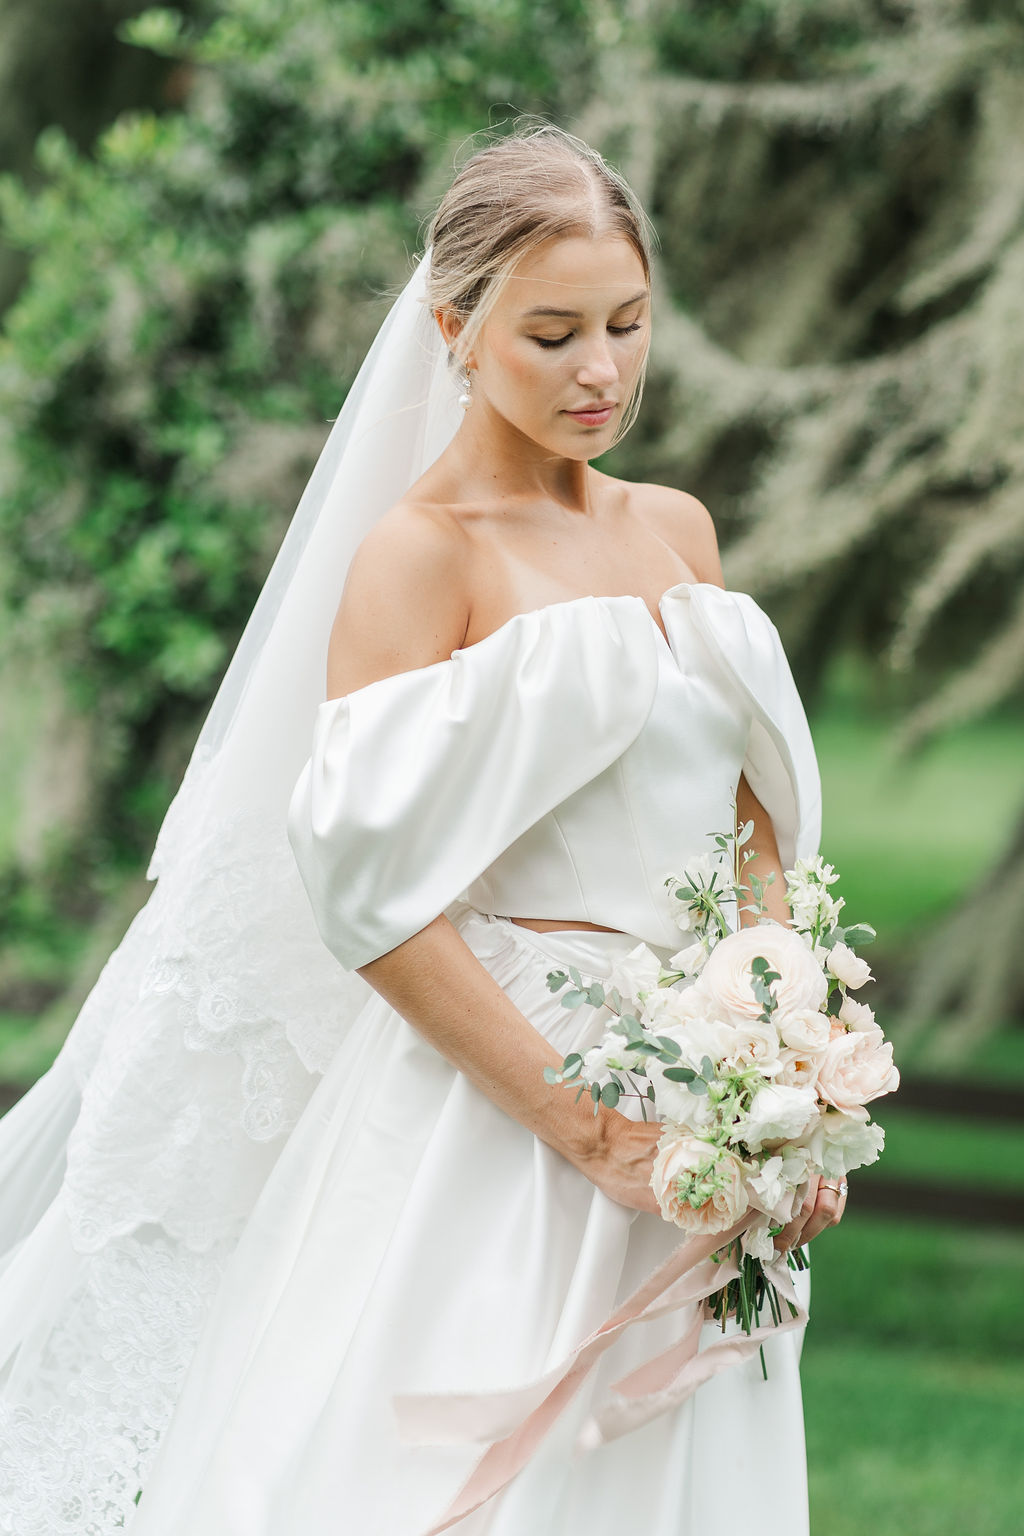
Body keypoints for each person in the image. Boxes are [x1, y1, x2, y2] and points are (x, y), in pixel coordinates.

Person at [0, 126, 845, 1535]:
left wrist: (783, 1071)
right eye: (553, 334)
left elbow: (750, 819)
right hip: (496, 1120)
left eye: (629, 326)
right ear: (454, 330)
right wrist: (584, 1129)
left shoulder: (679, 532)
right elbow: (372, 901)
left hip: (704, 1112)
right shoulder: (418, 556)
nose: (601, 372)